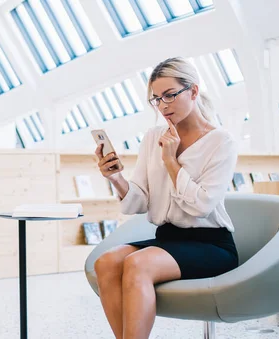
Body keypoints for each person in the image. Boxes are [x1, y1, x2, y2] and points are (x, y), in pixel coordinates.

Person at [93, 57, 239, 339]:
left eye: (170, 95)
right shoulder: (153, 137)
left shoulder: (222, 141)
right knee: (106, 262)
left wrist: (171, 162)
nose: (163, 106)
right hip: (167, 239)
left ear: (193, 91)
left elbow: (202, 206)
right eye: (156, 99)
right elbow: (139, 202)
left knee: (138, 263)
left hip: (211, 244)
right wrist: (115, 178)